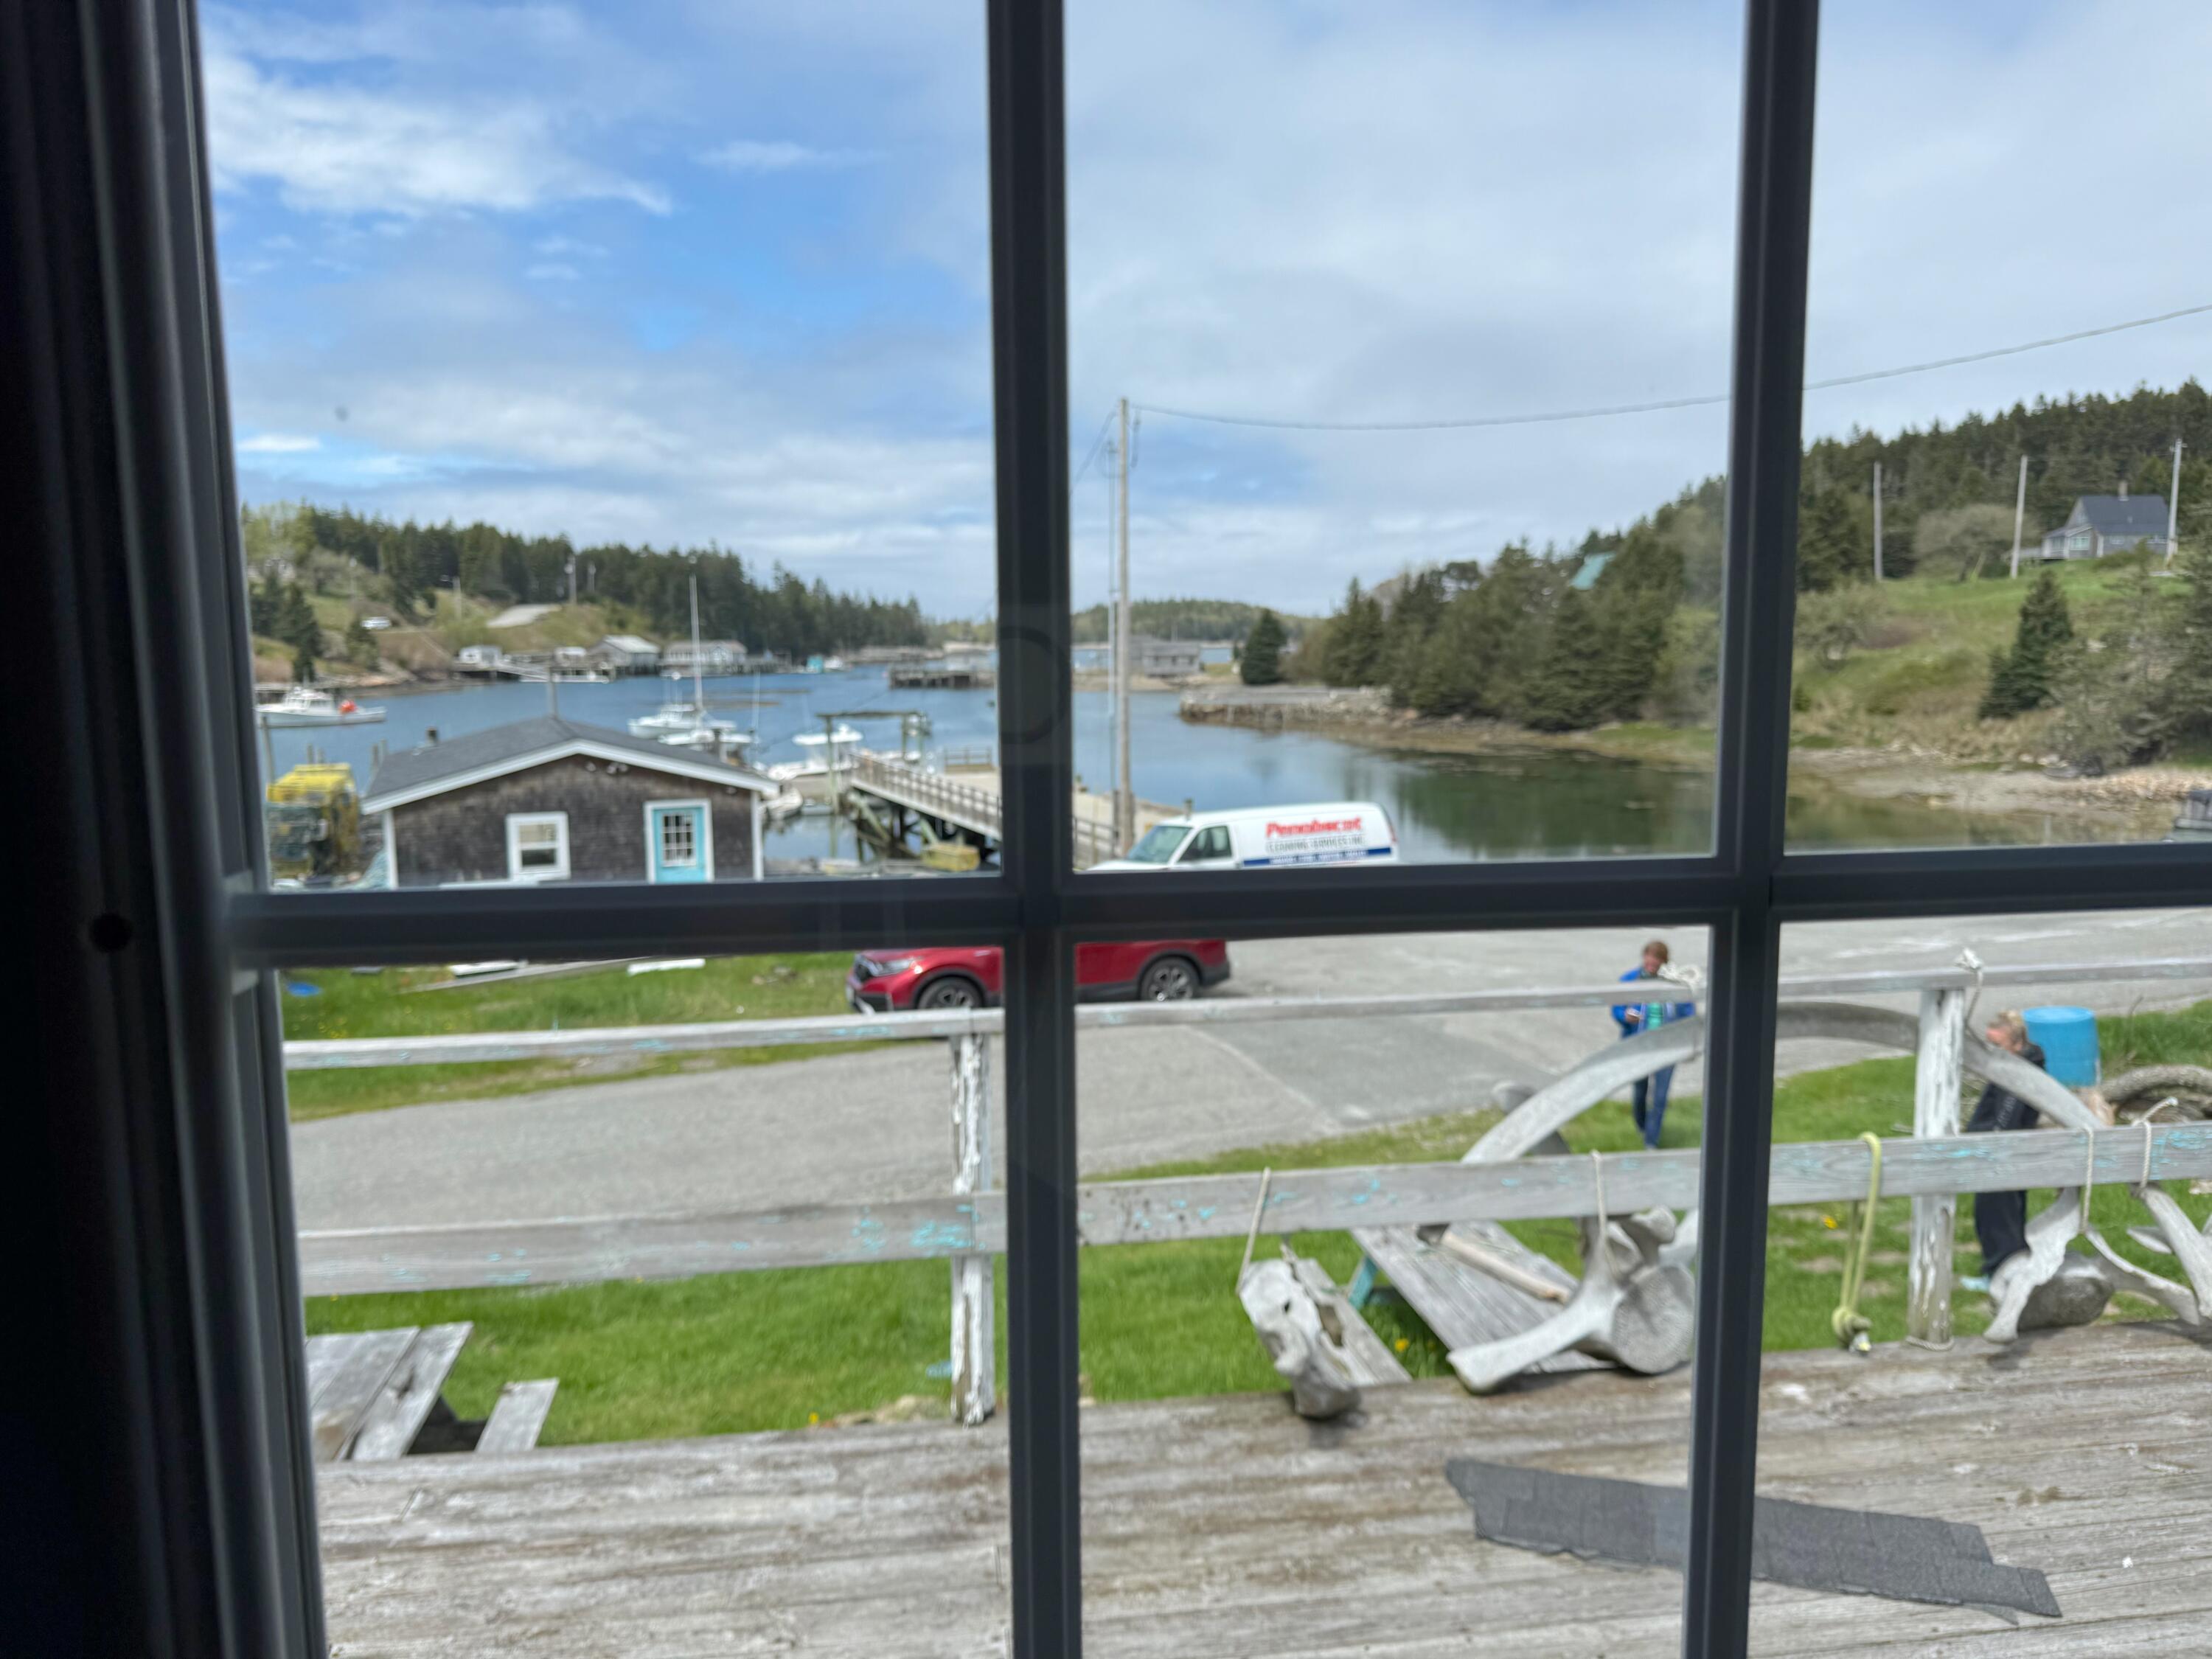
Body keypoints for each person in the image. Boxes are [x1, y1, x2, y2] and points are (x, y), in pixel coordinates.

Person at [1962, 1010, 2047, 1290]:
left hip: (2002, 1155)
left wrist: (1989, 1147)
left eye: (1997, 1045)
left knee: (1997, 1217)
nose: (1991, 1051)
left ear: (2016, 1044)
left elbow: (2006, 1120)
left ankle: (2001, 1274)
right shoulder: (2010, 1064)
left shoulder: (2018, 1075)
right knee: (2001, 1214)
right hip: (2003, 1152)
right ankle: (2004, 1269)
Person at [1612, 940, 1696, 1150]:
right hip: (1639, 1047)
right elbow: (1617, 1008)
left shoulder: (1674, 982)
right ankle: (1642, 1126)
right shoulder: (1630, 980)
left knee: (1660, 1097)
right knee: (1640, 1091)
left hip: (1667, 1048)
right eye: (1649, 958)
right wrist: (1625, 1016)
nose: (1652, 963)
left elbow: (1689, 1012)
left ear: (1664, 961)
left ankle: (1651, 1141)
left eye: (1656, 959)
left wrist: (1684, 1037)